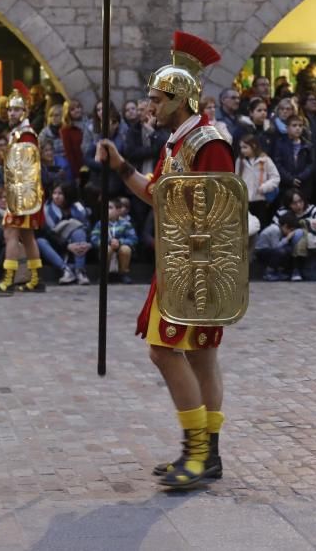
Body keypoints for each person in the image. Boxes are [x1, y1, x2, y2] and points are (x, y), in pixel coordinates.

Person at [97, 31, 236, 489]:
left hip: (196, 266)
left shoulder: (208, 142)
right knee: (199, 356)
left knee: (167, 350)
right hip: (179, 262)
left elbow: (218, 210)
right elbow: (158, 197)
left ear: (180, 98)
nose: (150, 106)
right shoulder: (177, 142)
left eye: (157, 99)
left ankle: (198, 454)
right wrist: (119, 165)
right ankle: (204, 453)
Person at [0, 88, 45, 294]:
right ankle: (35, 278)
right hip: (19, 194)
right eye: (9, 109)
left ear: (25, 111)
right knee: (27, 236)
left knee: (10, 233)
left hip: (23, 195)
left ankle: (8, 279)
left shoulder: (26, 135)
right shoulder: (16, 134)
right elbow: (8, 163)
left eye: (16, 110)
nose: (11, 113)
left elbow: (24, 168)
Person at [40, 183, 91, 285]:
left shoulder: (79, 208)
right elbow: (49, 234)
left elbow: (87, 228)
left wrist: (89, 243)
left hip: (78, 243)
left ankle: (80, 270)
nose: (56, 196)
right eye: (54, 193)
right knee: (40, 241)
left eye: (60, 193)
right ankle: (66, 270)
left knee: (79, 232)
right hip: (57, 244)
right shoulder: (46, 210)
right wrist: (67, 245)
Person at [89, 197, 138, 284]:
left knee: (126, 249)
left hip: (120, 247)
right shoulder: (100, 223)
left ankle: (123, 274)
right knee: (106, 249)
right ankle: (104, 275)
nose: (107, 210)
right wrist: (107, 242)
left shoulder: (126, 224)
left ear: (119, 211)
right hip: (107, 247)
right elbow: (94, 238)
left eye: (110, 207)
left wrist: (120, 242)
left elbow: (133, 239)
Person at [236, 134, 281, 225]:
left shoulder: (265, 160)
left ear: (254, 146)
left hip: (260, 200)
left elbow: (276, 177)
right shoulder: (240, 161)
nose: (242, 150)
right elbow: (236, 179)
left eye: (245, 147)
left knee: (260, 225)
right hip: (245, 201)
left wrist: (264, 187)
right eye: (241, 147)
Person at [273, 114, 315, 200]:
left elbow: (311, 164)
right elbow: (277, 164)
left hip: (303, 184)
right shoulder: (280, 144)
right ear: (287, 128)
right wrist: (290, 179)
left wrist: (300, 177)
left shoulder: (307, 145)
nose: (298, 128)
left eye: (300, 125)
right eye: (294, 125)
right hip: (285, 185)